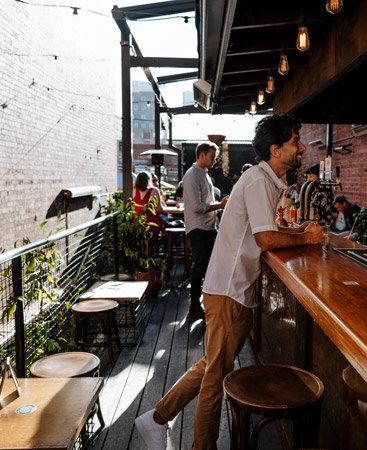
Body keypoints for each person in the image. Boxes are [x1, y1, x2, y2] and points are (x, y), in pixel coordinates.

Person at [134, 113, 324, 450]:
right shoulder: (258, 181)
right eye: (296, 141)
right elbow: (265, 239)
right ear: (275, 149)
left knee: (211, 365)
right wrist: (307, 240)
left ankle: (157, 418)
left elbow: (267, 230)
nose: (302, 146)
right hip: (229, 294)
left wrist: (298, 231)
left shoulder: (265, 181)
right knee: (214, 378)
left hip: (232, 293)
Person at [182, 142, 229, 317]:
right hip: (198, 228)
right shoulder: (192, 176)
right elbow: (196, 207)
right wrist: (221, 205)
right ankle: (194, 304)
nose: (214, 160)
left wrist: (219, 206)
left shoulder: (204, 175)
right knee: (200, 266)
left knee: (211, 265)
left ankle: (206, 300)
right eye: (212, 156)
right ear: (201, 155)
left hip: (209, 227)